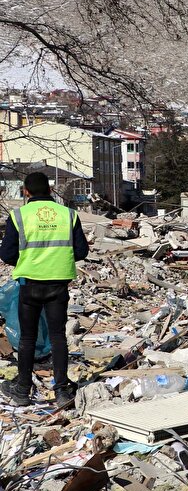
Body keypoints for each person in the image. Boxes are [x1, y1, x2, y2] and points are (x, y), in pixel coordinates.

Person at [0, 172, 89, 407]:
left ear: (26, 192)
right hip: (58, 284)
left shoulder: (19, 215)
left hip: (29, 284)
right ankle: (61, 391)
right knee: (58, 337)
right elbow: (81, 251)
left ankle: (22, 392)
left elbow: (7, 254)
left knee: (28, 338)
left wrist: (31, 260)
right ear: (50, 190)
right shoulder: (68, 214)